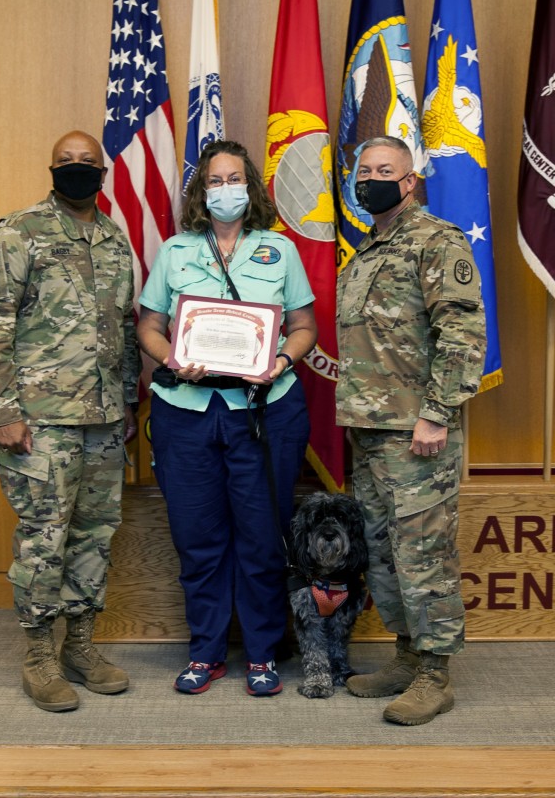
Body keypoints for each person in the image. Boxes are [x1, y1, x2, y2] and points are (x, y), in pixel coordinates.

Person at [0, 130, 140, 712]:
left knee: (94, 535)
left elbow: (122, 330)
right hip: (40, 423)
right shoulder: (17, 232)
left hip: (104, 421)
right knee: (45, 539)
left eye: (86, 163)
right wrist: (5, 409)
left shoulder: (116, 242)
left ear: (104, 170)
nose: (75, 169)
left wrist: (129, 405)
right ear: (50, 168)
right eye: (66, 162)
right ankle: (40, 657)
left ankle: (80, 648)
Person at [137, 140, 316, 696]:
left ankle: (262, 653)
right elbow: (149, 326)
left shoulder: (279, 251)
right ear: (201, 191)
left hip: (264, 412)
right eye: (214, 181)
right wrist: (171, 359)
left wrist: (281, 360)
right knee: (198, 538)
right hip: (186, 412)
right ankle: (207, 652)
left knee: (262, 538)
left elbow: (304, 325)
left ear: (251, 187)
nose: (224, 190)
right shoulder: (174, 251)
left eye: (233, 178)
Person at [337, 136, 487, 725]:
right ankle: (406, 654)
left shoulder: (435, 241)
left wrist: (436, 413)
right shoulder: (367, 251)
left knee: (424, 553)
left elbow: (462, 335)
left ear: (410, 180)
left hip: (415, 431)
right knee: (381, 553)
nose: (371, 177)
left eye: (384, 170)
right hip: (369, 431)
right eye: (363, 169)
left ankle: (435, 675)